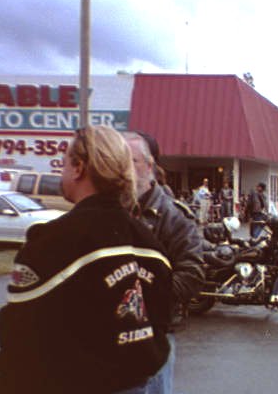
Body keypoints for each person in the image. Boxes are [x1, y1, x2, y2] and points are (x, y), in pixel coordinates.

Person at [0, 125, 173, 394]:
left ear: (79, 168)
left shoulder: (52, 242)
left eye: (65, 163)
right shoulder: (149, 242)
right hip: (139, 382)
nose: (62, 171)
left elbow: (22, 335)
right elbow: (160, 321)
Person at [123, 131, 207, 392]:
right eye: (117, 162)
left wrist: (143, 301)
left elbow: (192, 274)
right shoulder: (111, 211)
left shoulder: (174, 217)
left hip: (154, 336)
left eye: (131, 161)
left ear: (149, 166)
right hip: (114, 338)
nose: (123, 170)